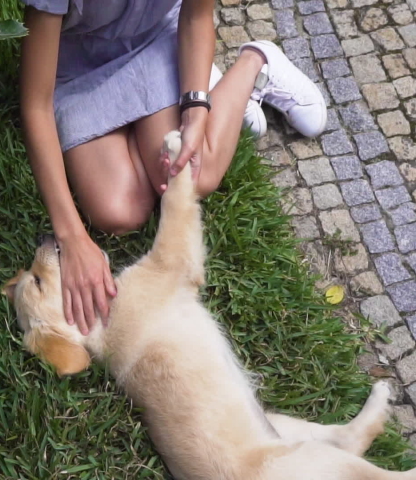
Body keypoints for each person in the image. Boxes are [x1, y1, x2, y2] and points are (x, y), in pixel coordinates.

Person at [19, 0, 326, 336]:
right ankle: (169, 98)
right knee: (118, 213)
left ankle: (256, 63)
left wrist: (196, 110)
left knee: (195, 176)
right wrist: (71, 236)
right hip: (76, 64)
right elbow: (36, 104)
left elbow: (195, 16)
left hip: (155, 40)